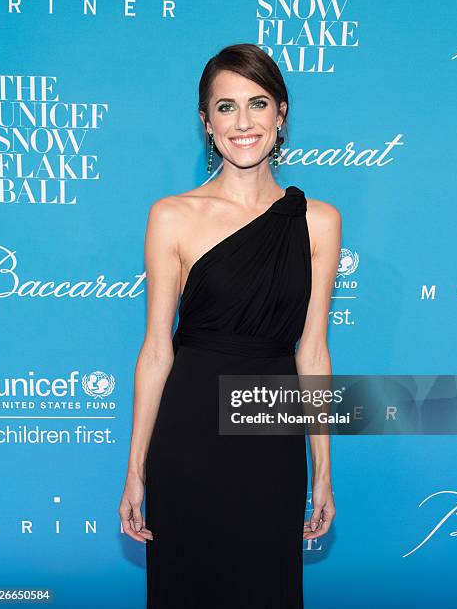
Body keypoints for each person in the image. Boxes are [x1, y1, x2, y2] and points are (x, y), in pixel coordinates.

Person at [119, 43, 340, 608]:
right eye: (225, 107)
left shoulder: (318, 221)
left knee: (266, 587)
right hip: (189, 431)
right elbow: (155, 352)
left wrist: (322, 471)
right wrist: (136, 471)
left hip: (270, 430)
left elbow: (312, 353)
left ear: (281, 114)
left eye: (258, 103)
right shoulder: (171, 215)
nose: (243, 122)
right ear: (206, 121)